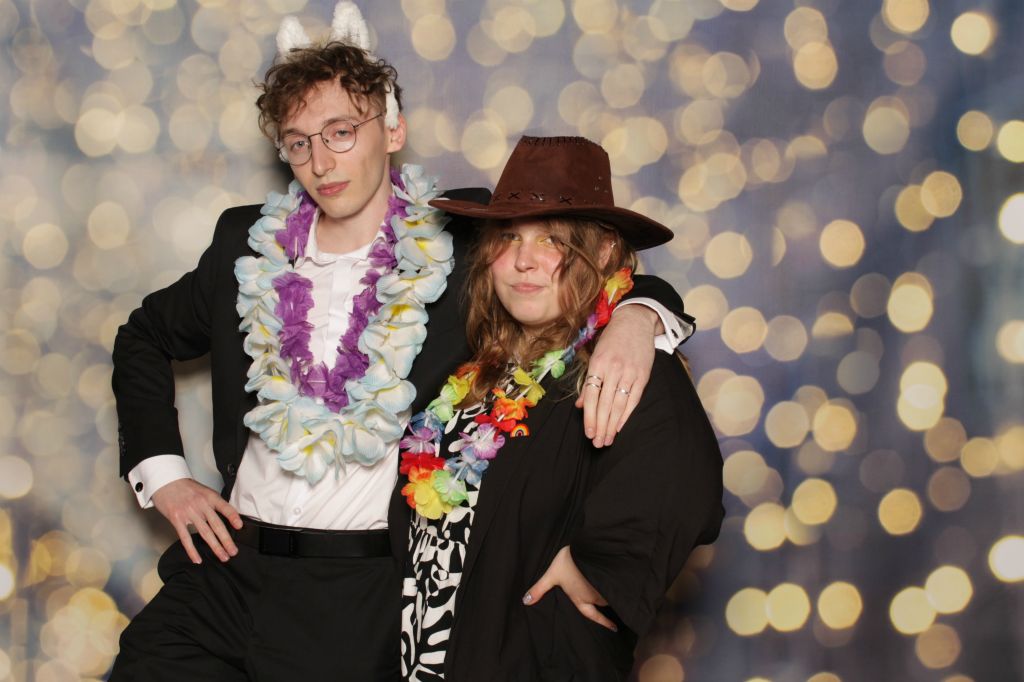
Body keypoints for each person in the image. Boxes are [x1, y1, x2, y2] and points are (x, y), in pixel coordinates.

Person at [109, 4, 690, 680]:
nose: (320, 162)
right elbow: (143, 336)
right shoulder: (245, 244)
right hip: (224, 571)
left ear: (392, 129)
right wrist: (165, 477)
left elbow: (586, 264)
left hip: (363, 593)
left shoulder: (462, 243)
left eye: (340, 132)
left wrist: (640, 317)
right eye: (298, 142)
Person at [397, 136, 724, 681]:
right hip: (425, 658)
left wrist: (597, 570)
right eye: (509, 237)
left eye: (552, 239)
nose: (523, 261)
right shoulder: (477, 367)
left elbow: (689, 482)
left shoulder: (618, 366)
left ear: (604, 253)